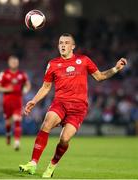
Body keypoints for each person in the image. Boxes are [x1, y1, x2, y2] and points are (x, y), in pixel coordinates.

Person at [19, 33, 127, 177]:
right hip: (60, 103)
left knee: (64, 140)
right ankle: (33, 163)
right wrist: (34, 100)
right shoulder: (53, 64)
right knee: (46, 123)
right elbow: (46, 87)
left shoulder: (83, 60)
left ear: (73, 46)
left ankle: (51, 166)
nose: (63, 45)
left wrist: (115, 69)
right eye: (60, 43)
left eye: (66, 42)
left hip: (78, 108)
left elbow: (99, 77)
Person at [0, 55, 31, 150]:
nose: (14, 63)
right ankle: (8, 134)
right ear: (9, 63)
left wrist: (25, 90)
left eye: (16, 62)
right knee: (8, 123)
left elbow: (28, 85)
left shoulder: (22, 74)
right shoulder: (4, 74)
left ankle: (17, 142)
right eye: (12, 62)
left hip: (18, 102)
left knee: (17, 119)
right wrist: (6, 89)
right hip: (7, 103)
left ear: (18, 63)